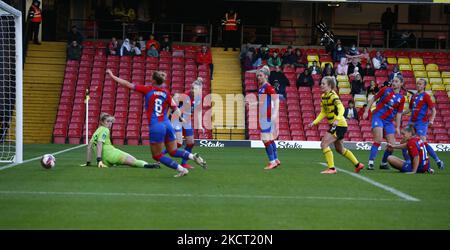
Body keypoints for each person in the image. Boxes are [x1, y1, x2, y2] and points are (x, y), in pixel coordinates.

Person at [106, 69, 207, 177]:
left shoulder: (147, 89)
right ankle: (192, 156)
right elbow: (175, 107)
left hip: (157, 126)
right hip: (167, 124)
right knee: (173, 150)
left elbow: (127, 84)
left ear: (153, 80)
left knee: (157, 156)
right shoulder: (165, 93)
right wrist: (181, 119)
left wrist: (112, 76)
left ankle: (181, 169)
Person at [308, 76, 365, 174]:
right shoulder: (323, 96)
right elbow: (323, 112)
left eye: (323, 84)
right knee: (339, 149)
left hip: (339, 125)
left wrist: (337, 120)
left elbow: (342, 108)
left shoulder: (333, 96)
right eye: (321, 83)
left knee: (324, 144)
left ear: (330, 85)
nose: (321, 85)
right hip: (338, 125)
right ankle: (358, 164)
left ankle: (332, 168)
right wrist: (314, 122)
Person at [82, 113, 159, 169]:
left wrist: (88, 162)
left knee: (126, 163)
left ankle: (113, 163)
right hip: (112, 154)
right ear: (102, 122)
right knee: (134, 161)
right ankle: (149, 165)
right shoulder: (105, 130)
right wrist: (99, 160)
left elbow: (89, 147)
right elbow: (99, 143)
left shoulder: (96, 131)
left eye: (110, 121)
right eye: (107, 121)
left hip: (105, 160)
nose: (110, 124)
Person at [363, 75, 406, 170]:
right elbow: (373, 98)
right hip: (378, 117)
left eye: (396, 81)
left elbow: (399, 114)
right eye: (393, 81)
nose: (394, 83)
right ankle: (371, 162)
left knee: (392, 145)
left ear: (401, 84)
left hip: (389, 122)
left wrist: (398, 127)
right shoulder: (385, 90)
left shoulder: (402, 98)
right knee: (378, 140)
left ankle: (383, 163)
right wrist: (366, 111)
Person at [407, 78, 444, 169]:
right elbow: (410, 110)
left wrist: (431, 120)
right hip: (412, 122)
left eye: (420, 84)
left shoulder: (426, 96)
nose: (418, 85)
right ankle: (410, 162)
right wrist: (399, 113)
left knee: (422, 143)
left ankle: (437, 160)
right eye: (417, 84)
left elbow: (433, 110)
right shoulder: (414, 96)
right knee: (406, 141)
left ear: (424, 86)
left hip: (421, 123)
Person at [168, 78, 204, 169]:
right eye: (192, 88)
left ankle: (184, 163)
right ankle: (160, 157)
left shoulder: (200, 98)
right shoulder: (184, 96)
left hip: (187, 120)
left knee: (191, 143)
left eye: (196, 89)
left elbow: (198, 111)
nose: (194, 90)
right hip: (177, 118)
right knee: (179, 143)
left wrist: (200, 125)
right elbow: (172, 105)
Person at [256, 66, 281, 170]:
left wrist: (275, 114)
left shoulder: (267, 86)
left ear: (266, 76)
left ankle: (272, 162)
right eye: (258, 75)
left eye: (260, 75)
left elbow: (276, 99)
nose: (258, 77)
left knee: (265, 140)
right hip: (264, 115)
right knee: (269, 139)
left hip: (267, 116)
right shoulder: (262, 87)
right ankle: (275, 159)